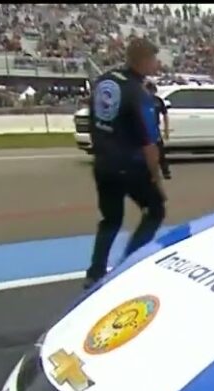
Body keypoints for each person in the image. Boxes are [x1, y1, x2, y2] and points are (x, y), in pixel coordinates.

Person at [83, 37, 165, 290]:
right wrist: (156, 177)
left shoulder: (104, 80)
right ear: (144, 60)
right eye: (154, 60)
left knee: (110, 219)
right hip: (129, 165)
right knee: (155, 209)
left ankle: (95, 272)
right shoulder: (138, 92)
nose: (156, 64)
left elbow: (93, 117)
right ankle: (130, 263)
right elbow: (149, 142)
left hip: (102, 163)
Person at [145, 80, 171, 180]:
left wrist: (166, 129)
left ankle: (165, 171)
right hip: (143, 129)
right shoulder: (141, 101)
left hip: (154, 129)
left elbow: (165, 115)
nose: (151, 92)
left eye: (152, 90)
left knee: (160, 152)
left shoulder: (158, 101)